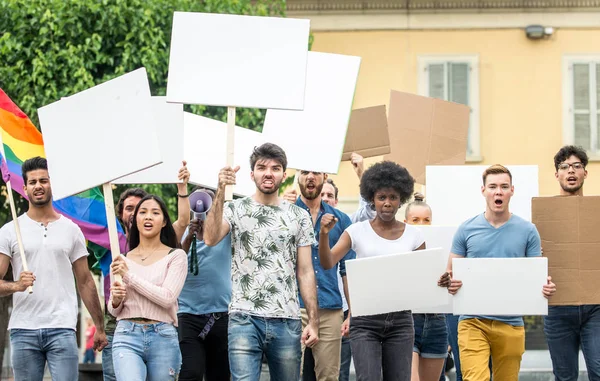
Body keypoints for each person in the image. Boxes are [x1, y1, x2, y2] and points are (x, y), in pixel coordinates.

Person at [204, 143, 319, 381]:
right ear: (251, 174)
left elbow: (306, 272)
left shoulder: (299, 215)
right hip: (243, 318)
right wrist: (220, 189)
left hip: (287, 318)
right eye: (262, 167)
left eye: (275, 168)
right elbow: (210, 237)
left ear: (284, 175)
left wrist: (314, 321)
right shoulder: (234, 208)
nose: (268, 173)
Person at [443, 164, 556, 381]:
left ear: (512, 190)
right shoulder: (466, 229)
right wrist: (450, 282)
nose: (498, 191)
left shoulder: (528, 230)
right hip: (472, 321)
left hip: (511, 323)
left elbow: (537, 276)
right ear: (483, 190)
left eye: (504, 187)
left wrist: (545, 287)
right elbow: (450, 273)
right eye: (493, 186)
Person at [0, 156, 107, 380]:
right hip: (23, 329)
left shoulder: (72, 230)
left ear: (52, 184)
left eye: (44, 180)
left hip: (62, 327)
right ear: (25, 187)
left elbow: (86, 281)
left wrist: (99, 325)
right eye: (33, 182)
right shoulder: (10, 230)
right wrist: (17, 285)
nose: (38, 185)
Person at [319, 161, 428, 381]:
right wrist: (323, 234)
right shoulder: (356, 231)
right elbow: (328, 262)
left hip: (401, 321)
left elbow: (424, 277)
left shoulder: (415, 236)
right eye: (381, 197)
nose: (387, 203)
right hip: (365, 321)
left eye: (393, 197)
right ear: (372, 199)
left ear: (401, 200)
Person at [102, 163, 190, 381]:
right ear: (136, 220)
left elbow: (167, 298)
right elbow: (114, 311)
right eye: (142, 212)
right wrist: (115, 300)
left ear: (163, 222)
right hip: (126, 335)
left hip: (163, 335)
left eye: (155, 213)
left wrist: (129, 277)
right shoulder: (122, 260)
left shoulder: (176, 256)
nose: (148, 217)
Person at [284, 171, 354, 381]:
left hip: (330, 309)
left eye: (315, 172)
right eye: (305, 172)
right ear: (298, 176)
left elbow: (347, 269)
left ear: (324, 175)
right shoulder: (285, 212)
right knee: (289, 375)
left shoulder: (340, 219)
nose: (310, 177)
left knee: (329, 377)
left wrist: (352, 312)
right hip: (292, 307)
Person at [544, 145, 600, 381]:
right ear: (556, 174)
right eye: (564, 166)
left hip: (596, 307)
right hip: (557, 307)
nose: (571, 171)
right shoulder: (544, 214)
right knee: (565, 376)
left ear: (585, 173)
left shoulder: (597, 211)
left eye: (577, 166)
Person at [178, 187, 232, 381]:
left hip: (220, 315)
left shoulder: (226, 234)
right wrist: (188, 238)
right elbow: (175, 261)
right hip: (188, 316)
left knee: (220, 375)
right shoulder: (182, 231)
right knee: (190, 373)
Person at [404, 193, 448, 381]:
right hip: (408, 321)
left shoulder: (443, 247)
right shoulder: (396, 246)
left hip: (437, 321)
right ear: (405, 221)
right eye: (415, 220)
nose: (421, 224)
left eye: (426, 220)